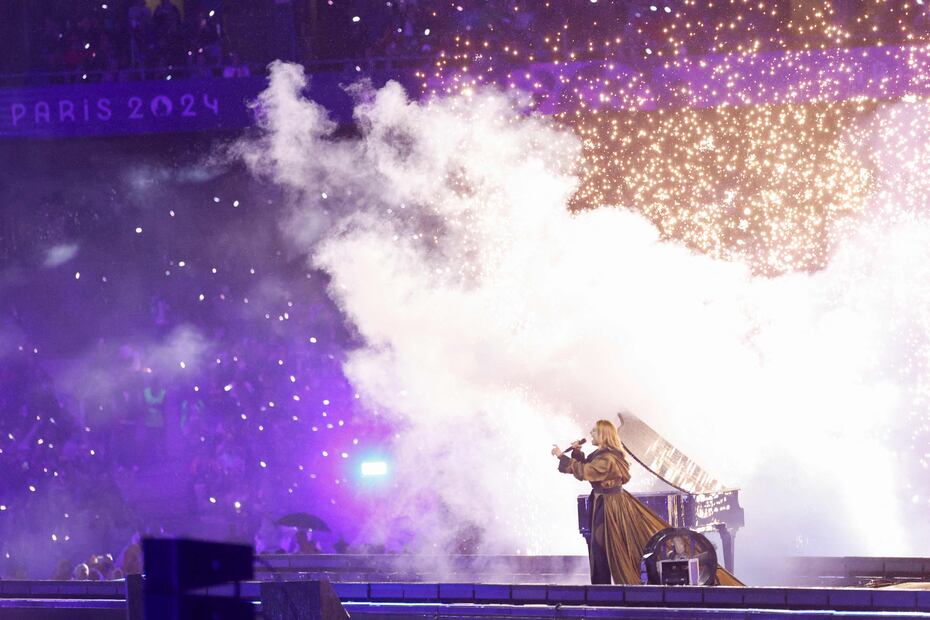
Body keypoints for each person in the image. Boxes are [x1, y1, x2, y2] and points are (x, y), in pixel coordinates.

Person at [553, 419, 742, 586]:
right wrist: (577, 453)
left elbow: (587, 471)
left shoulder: (608, 458)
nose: (590, 434)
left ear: (603, 435)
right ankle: (601, 588)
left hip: (609, 506)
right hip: (606, 502)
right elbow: (589, 468)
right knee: (600, 547)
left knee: (601, 547)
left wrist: (562, 457)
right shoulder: (605, 455)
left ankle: (602, 590)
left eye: (594, 431)